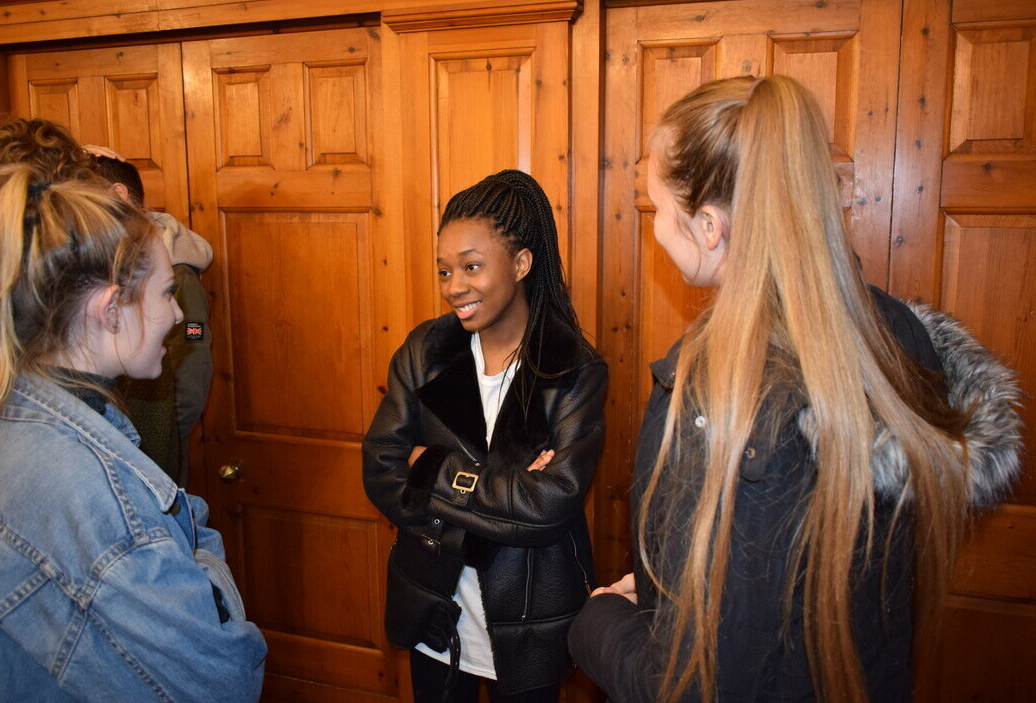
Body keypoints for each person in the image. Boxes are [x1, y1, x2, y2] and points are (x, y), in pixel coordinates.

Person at [568, 75, 1022, 703]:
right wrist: (663, 598)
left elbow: (696, 685)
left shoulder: (719, 392)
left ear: (707, 226)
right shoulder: (897, 335)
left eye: (655, 210)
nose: (656, 232)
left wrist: (600, 622)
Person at [0, 164, 266, 701]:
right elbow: (223, 678)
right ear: (111, 310)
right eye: (167, 293)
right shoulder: (84, 483)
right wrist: (205, 572)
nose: (176, 314)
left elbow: (183, 522)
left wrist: (190, 552)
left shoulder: (12, 411)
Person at [363, 170, 607, 702]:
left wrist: (434, 470)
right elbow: (381, 465)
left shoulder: (572, 368)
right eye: (445, 270)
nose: (455, 287)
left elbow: (552, 503)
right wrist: (510, 489)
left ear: (520, 263)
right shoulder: (425, 350)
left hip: (530, 616)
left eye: (472, 267)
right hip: (434, 608)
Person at [93, 152, 214, 486]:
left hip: (154, 452)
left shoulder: (179, 278)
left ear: (118, 194)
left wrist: (164, 439)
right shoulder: (96, 267)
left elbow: (193, 356)